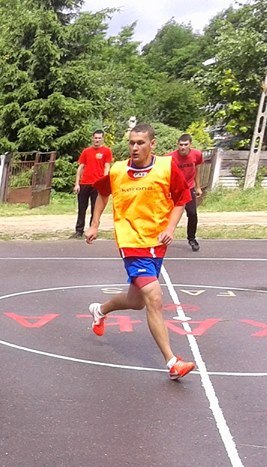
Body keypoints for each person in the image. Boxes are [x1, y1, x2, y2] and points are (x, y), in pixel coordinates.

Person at [84, 123, 197, 381]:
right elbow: (102, 194)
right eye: (132, 143)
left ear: (152, 144)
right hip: (131, 241)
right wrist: (94, 223)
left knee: (136, 302)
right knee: (154, 298)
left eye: (141, 143)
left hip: (156, 242)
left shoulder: (166, 167)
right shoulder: (117, 170)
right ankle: (172, 361)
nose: (135, 147)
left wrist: (170, 227)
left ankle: (99, 310)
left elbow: (181, 198)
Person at [168, 134, 204, 252]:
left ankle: (192, 239)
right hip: (175, 189)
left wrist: (198, 187)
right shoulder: (170, 157)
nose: (183, 147)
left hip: (189, 188)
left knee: (192, 214)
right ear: (177, 145)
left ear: (190, 145)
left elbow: (197, 169)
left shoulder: (197, 154)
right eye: (180, 145)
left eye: (185, 145)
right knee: (167, 214)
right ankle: (163, 236)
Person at [73, 130, 112, 238]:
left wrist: (103, 181)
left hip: (97, 184)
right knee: (82, 208)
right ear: (92, 138)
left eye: (99, 138)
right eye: (95, 138)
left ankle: (92, 229)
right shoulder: (86, 151)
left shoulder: (106, 151)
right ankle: (79, 231)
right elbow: (80, 167)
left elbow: (107, 166)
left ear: (103, 139)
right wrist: (77, 183)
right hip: (84, 183)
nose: (97, 140)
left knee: (95, 208)